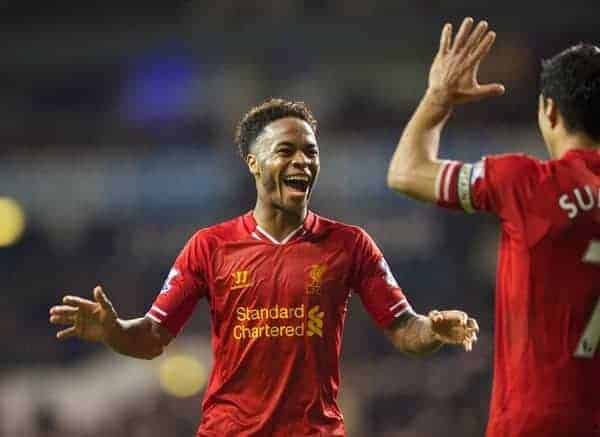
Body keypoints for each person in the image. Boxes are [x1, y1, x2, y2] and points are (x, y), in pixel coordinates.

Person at [49, 98, 478, 436]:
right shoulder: (209, 247)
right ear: (254, 163)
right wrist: (114, 331)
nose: (302, 162)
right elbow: (152, 338)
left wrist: (432, 330)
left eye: (310, 152)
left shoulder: (350, 244)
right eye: (286, 151)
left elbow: (405, 330)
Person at [387, 17, 600, 437]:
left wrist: (438, 98)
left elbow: (405, 172)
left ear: (549, 111)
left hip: (533, 424)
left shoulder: (525, 183)